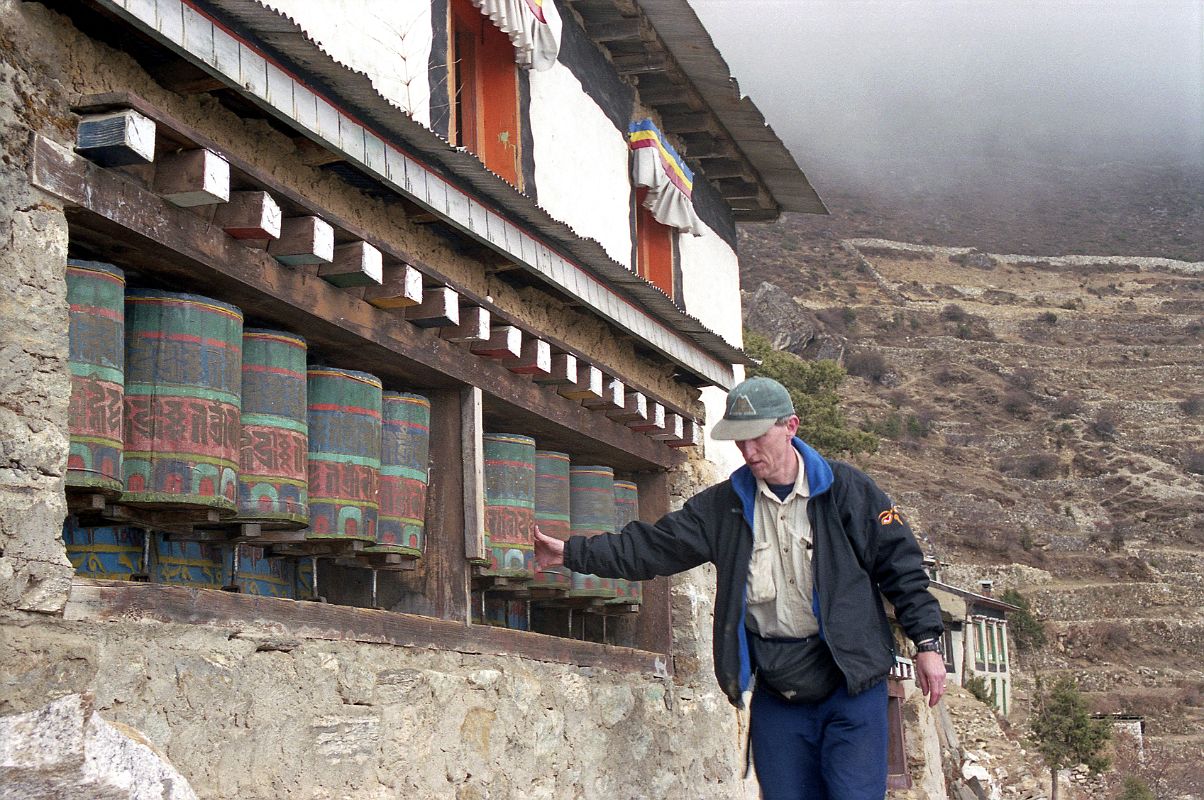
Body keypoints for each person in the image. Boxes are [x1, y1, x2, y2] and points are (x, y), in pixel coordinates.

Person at [534, 376, 947, 800]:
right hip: (780, 690)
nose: (748, 451)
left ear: (790, 426)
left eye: (756, 437)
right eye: (738, 440)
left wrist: (928, 644)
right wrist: (570, 553)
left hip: (852, 686)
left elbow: (903, 569)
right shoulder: (722, 507)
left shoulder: (850, 492)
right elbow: (652, 548)